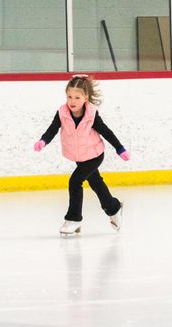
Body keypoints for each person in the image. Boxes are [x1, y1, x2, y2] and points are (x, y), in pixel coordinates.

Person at [34, 75, 130, 235]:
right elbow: (53, 128)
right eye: (69, 96)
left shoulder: (92, 115)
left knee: (75, 181)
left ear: (86, 98)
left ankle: (74, 218)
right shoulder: (62, 112)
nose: (72, 101)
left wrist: (120, 148)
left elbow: (106, 132)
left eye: (77, 97)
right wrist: (43, 141)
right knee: (96, 183)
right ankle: (114, 208)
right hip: (80, 156)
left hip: (94, 155)